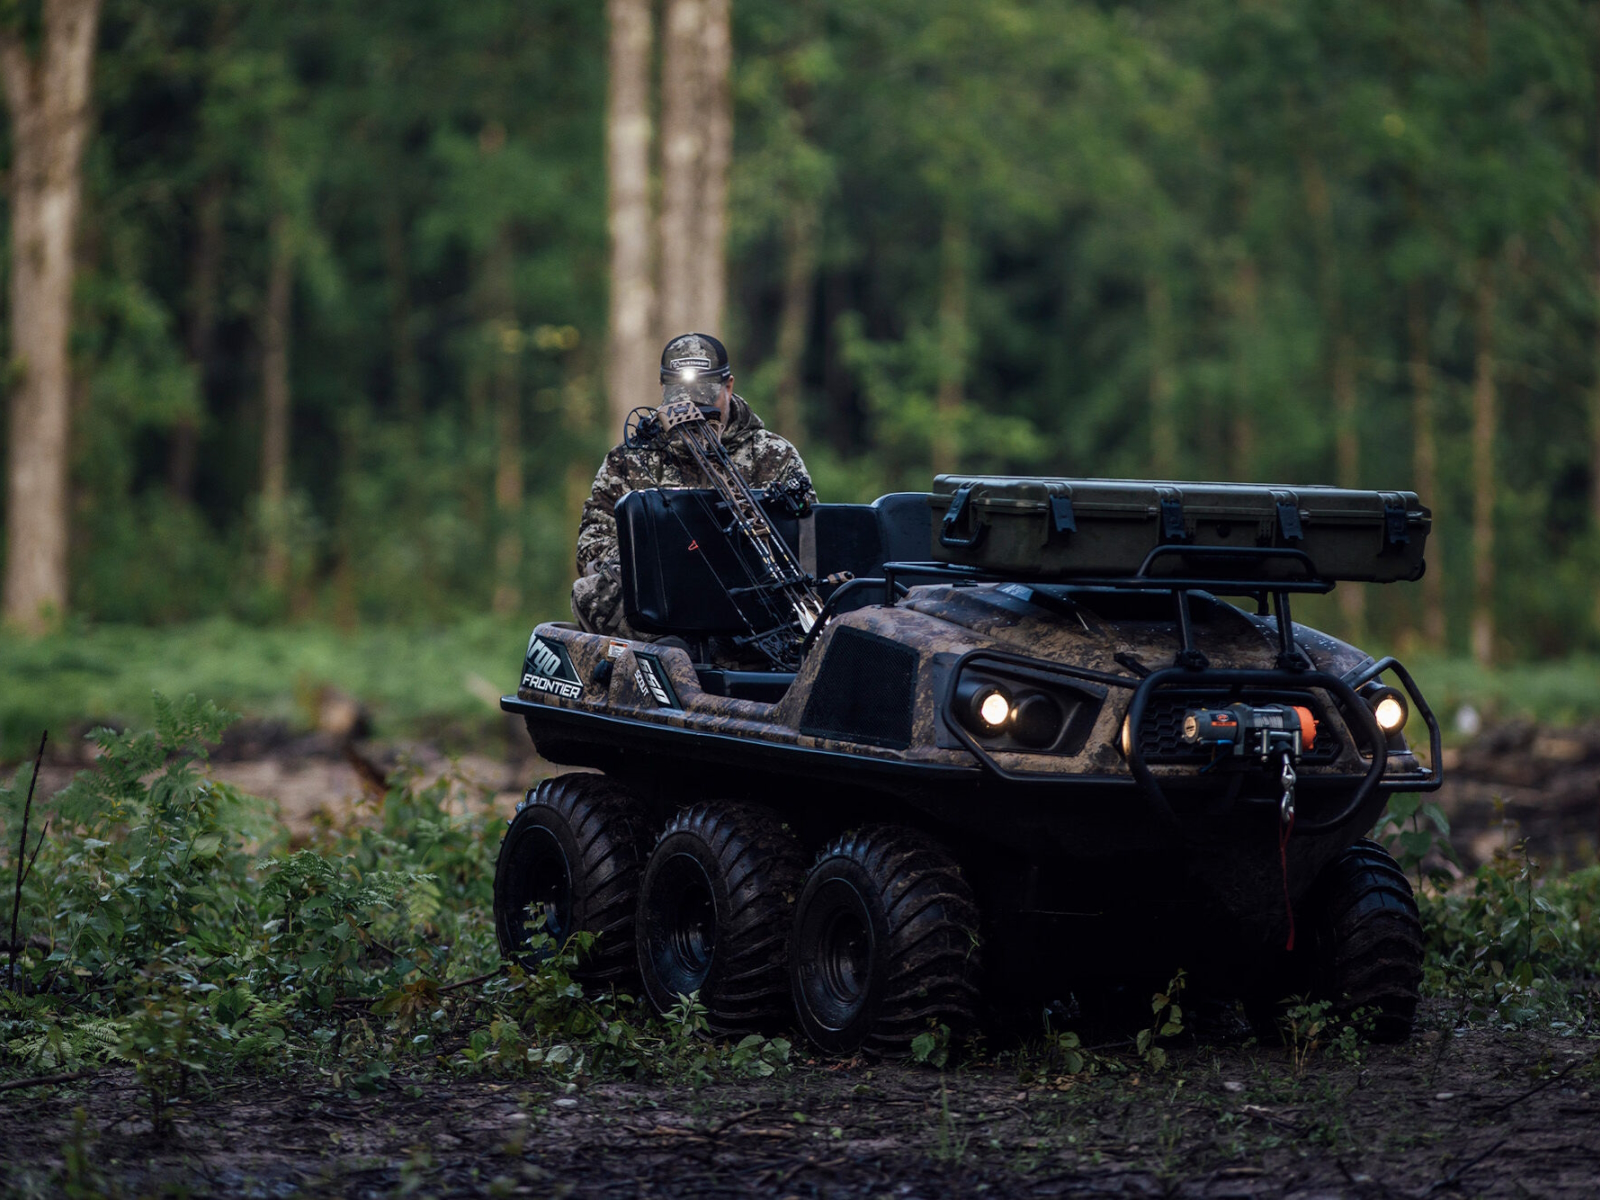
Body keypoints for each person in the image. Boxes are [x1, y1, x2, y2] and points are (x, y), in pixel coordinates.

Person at [572, 332, 814, 638]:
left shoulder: (773, 455)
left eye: (705, 394)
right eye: (679, 394)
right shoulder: (627, 460)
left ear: (729, 386)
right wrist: (663, 562)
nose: (692, 406)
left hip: (751, 604)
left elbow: (806, 540)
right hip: (662, 615)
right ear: (662, 387)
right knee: (591, 591)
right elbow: (592, 545)